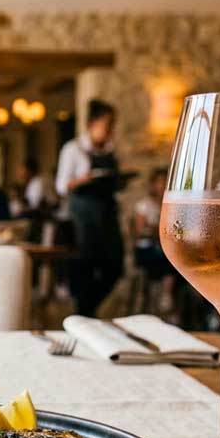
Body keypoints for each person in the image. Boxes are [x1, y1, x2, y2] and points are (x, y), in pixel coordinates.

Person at [56, 99, 122, 316]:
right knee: (84, 265)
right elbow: (61, 186)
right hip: (83, 215)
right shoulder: (73, 149)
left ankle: (87, 311)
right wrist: (83, 179)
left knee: (115, 265)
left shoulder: (109, 150)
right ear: (93, 123)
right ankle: (84, 313)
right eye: (107, 124)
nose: (110, 130)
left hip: (107, 213)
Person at [132, 167, 178, 318]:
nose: (162, 185)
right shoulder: (144, 205)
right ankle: (166, 295)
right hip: (148, 249)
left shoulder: (172, 205)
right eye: (159, 182)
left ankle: (171, 300)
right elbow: (140, 230)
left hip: (166, 248)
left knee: (176, 258)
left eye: (165, 182)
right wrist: (158, 230)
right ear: (153, 185)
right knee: (165, 257)